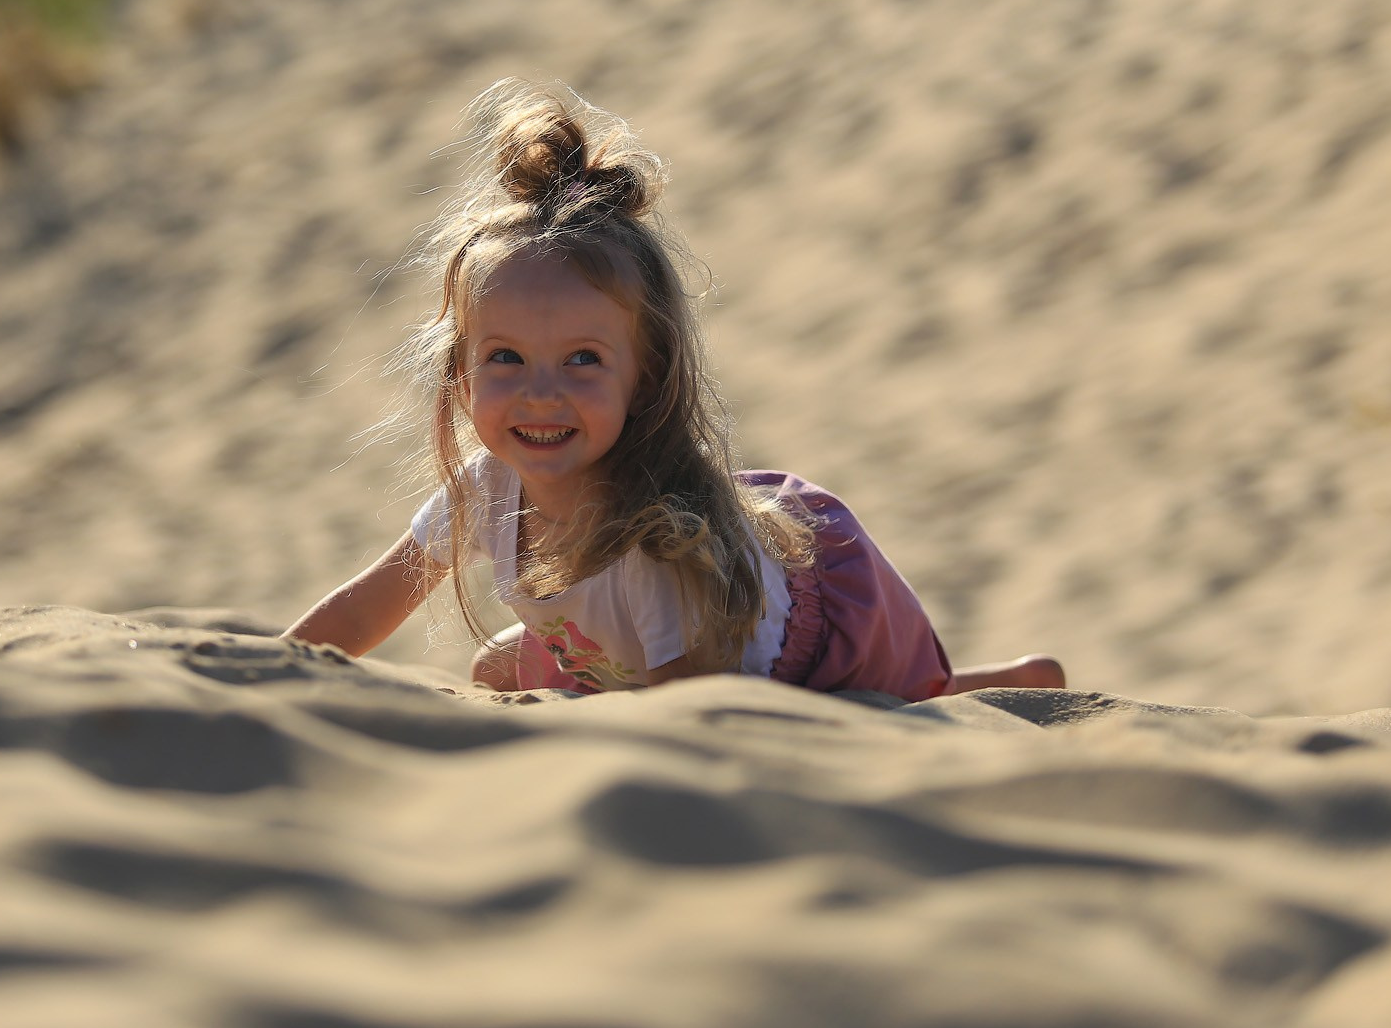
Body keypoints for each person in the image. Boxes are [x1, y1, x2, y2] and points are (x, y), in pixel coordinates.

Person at [286, 79, 1063, 698]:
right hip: (632, 659)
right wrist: (251, 670)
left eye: (583, 361)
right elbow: (365, 607)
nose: (541, 394)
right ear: (460, 374)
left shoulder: (656, 550)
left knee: (888, 704)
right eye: (507, 359)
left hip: (801, 640)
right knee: (496, 667)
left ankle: (974, 691)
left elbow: (696, 722)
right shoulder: (483, 490)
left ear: (646, 379)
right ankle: (972, 686)